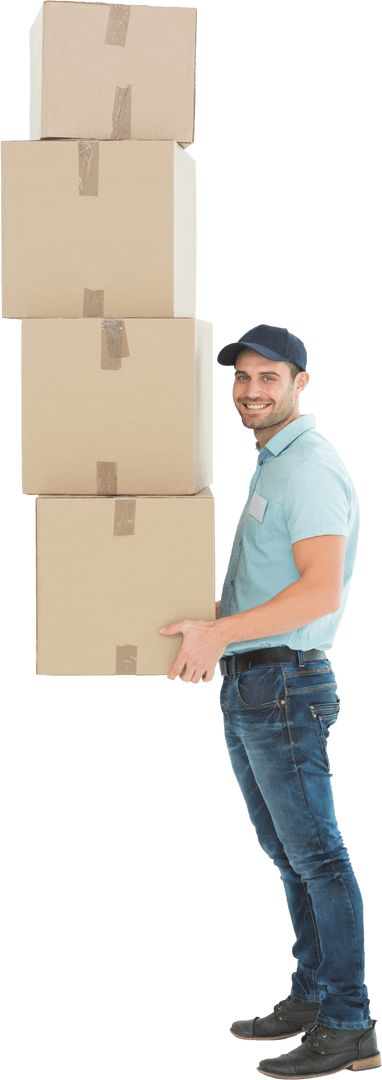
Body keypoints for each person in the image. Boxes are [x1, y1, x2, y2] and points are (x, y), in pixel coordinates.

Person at [159, 323, 380, 1079]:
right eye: (242, 379)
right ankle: (312, 994)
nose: (251, 391)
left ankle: (350, 1022)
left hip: (284, 681)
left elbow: (320, 588)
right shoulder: (273, 462)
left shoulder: (309, 468)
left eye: (269, 378)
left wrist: (218, 631)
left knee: (318, 856)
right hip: (253, 680)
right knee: (289, 856)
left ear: (301, 383)